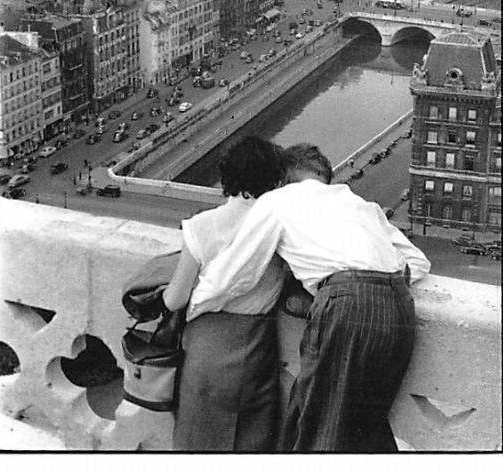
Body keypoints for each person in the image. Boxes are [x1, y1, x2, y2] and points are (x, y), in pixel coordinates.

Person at [188, 143, 431, 453]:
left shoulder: (277, 201)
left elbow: (235, 274)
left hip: (347, 304)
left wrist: (192, 307)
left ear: (284, 177)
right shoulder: (360, 204)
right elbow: (418, 262)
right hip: (398, 305)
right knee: (367, 427)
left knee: (318, 425)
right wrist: (375, 284)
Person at [159, 136, 288, 452]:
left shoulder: (201, 226)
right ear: (274, 178)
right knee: (251, 442)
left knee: (197, 442)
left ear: (226, 175)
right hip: (257, 349)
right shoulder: (279, 227)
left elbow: (174, 300)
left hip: (205, 351)